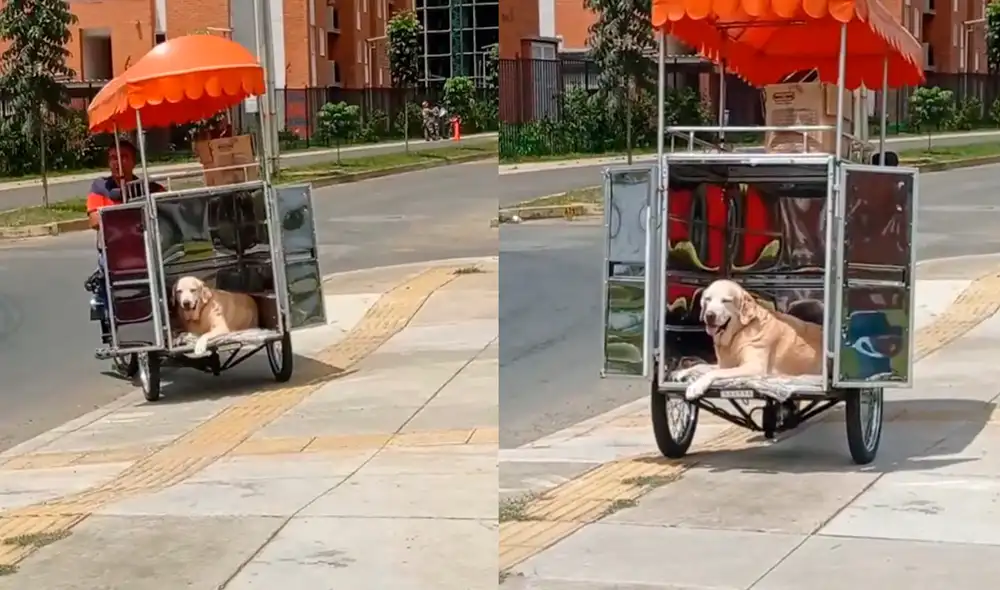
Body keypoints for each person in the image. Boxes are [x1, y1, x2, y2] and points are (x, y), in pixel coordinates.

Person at [86, 139, 165, 344]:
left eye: (124, 157)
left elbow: (165, 206)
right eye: (113, 158)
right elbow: (94, 220)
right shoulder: (100, 188)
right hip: (114, 253)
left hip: (145, 250)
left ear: (134, 162)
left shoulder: (148, 188)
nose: (118, 162)